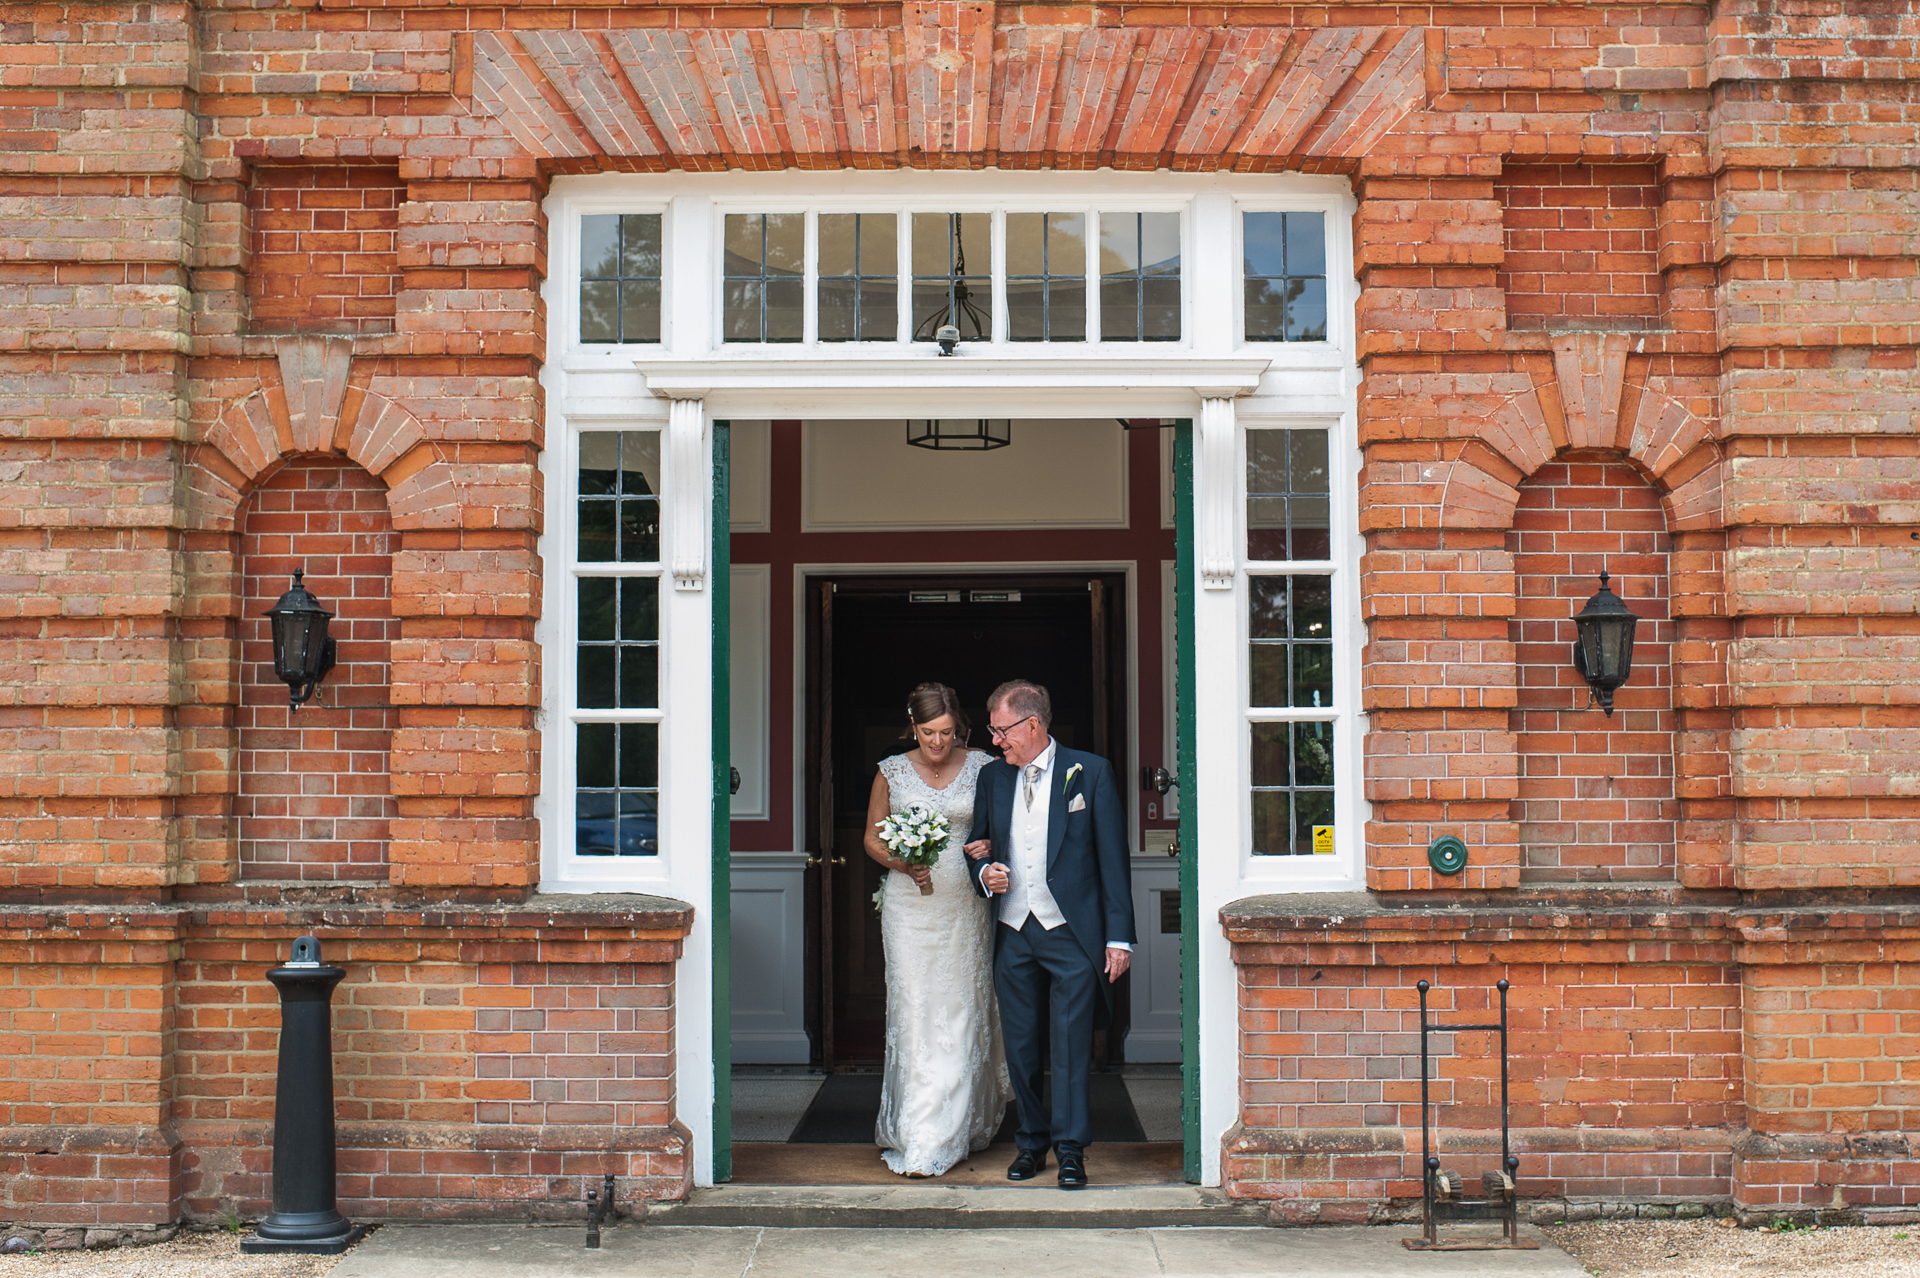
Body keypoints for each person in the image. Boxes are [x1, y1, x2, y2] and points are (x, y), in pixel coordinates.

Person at [965, 679, 1134, 1189]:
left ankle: (1070, 1150)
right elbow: (976, 845)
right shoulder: (993, 778)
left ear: (1031, 724)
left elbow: (1112, 861)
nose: (996, 741)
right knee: (1020, 1045)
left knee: (1069, 1044)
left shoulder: (1092, 772)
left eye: (1001, 730)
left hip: (1071, 935)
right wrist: (985, 874)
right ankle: (1031, 1143)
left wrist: (1119, 937)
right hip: (1014, 930)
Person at [862, 682, 1013, 1177]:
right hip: (909, 908)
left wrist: (986, 849)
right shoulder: (891, 770)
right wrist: (902, 863)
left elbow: (1004, 825)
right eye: (928, 732)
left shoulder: (984, 766)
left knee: (959, 1008)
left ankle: (953, 1127)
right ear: (913, 724)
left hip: (965, 906)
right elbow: (871, 837)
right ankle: (917, 1128)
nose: (937, 742)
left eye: (947, 733)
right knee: (915, 1010)